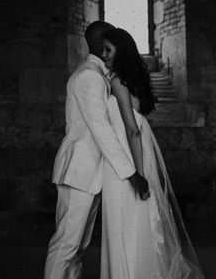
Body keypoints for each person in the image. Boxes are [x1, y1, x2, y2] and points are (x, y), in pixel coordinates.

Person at [44, 21, 150, 279]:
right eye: (108, 40)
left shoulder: (100, 74)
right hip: (79, 171)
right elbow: (101, 129)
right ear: (100, 41)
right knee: (66, 244)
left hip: (91, 174)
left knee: (78, 246)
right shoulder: (89, 76)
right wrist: (131, 173)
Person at [99, 27, 205, 279]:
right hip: (137, 153)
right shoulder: (133, 80)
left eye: (108, 50)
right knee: (138, 219)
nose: (103, 55)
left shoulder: (117, 82)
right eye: (102, 49)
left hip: (128, 157)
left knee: (127, 220)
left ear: (120, 52)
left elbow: (132, 130)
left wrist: (138, 173)